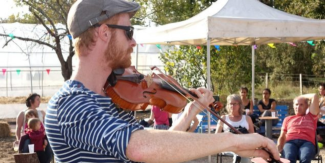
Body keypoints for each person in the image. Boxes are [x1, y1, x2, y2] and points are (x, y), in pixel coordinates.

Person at [45, 0, 280, 162]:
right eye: (129, 31)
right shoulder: (70, 104)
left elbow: (154, 153)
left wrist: (190, 111)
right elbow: (139, 147)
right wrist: (233, 142)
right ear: (104, 33)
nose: (133, 42)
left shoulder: (110, 97)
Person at [277, 93, 319, 163]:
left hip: (307, 142)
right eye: (296, 104)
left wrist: (300, 96)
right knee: (288, 157)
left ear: (307, 106)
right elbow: (282, 135)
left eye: (301, 104)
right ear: (293, 106)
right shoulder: (288, 119)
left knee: (305, 157)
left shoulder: (312, 116)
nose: (298, 107)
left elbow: (314, 96)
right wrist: (279, 147)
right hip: (290, 142)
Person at [216, 94, 254, 163]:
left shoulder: (247, 118)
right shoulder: (223, 118)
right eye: (230, 104)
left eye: (235, 104)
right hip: (228, 146)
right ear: (227, 105)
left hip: (244, 145)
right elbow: (216, 136)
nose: (232, 106)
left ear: (239, 105)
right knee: (240, 154)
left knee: (242, 153)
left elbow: (253, 136)